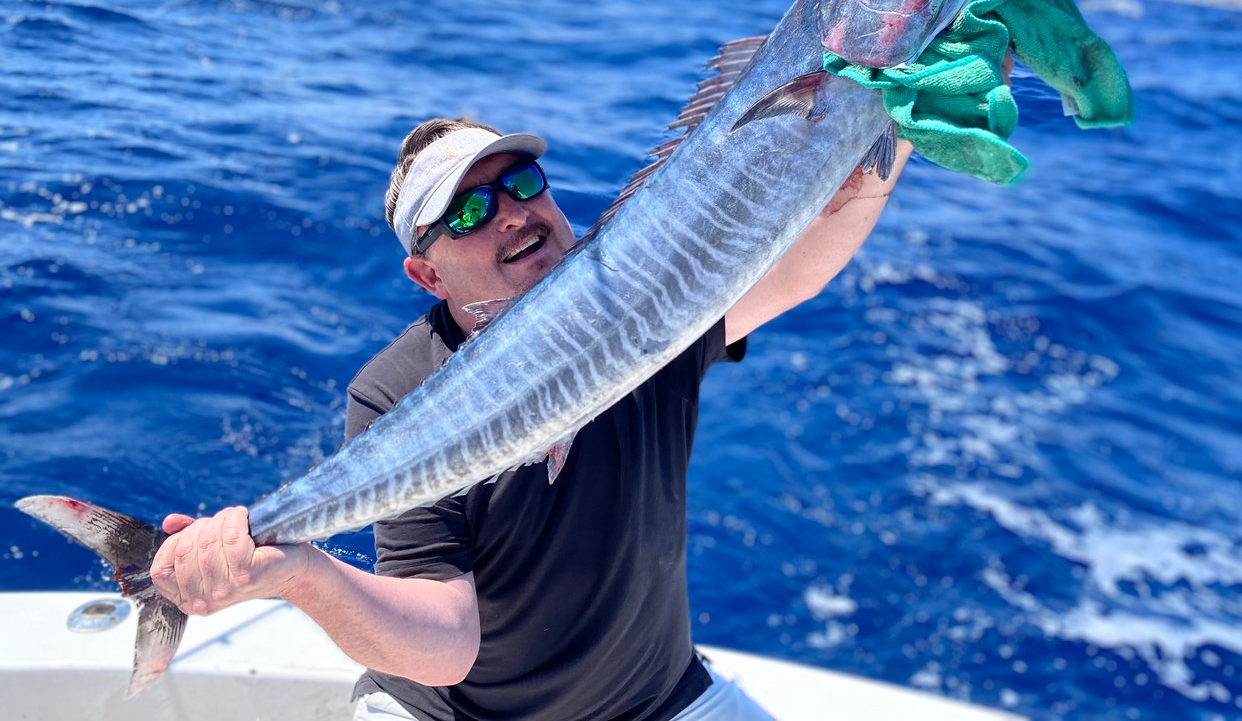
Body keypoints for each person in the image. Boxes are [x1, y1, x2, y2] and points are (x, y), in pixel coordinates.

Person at [149, 116, 911, 720]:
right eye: (469, 211)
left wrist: (900, 125)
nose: (510, 213)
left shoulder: (645, 303)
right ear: (426, 274)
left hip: (662, 702)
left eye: (521, 183)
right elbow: (444, 644)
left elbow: (800, 268)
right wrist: (297, 571)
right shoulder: (397, 390)